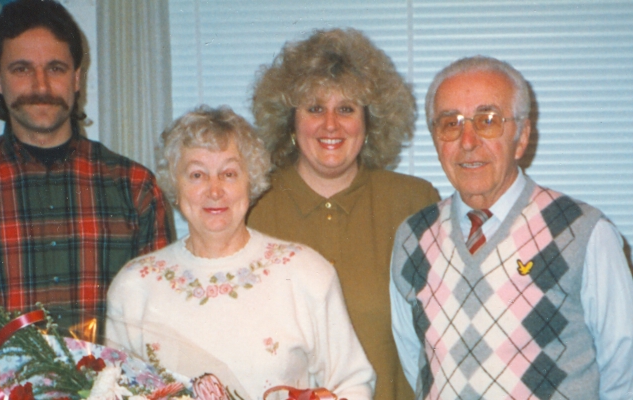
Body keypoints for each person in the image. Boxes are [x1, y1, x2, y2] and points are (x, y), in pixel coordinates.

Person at [0, 0, 174, 387]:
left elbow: (159, 320)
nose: (40, 86)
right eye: (22, 69)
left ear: (76, 78)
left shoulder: (135, 187)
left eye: (55, 68)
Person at [390, 55, 633, 399]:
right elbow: (417, 363)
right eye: (451, 123)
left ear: (522, 137)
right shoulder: (411, 239)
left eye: (487, 120)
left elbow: (625, 373)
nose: (468, 140)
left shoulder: (584, 232)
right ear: (436, 141)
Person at [106, 105, 375, 399]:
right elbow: (111, 391)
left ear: (252, 181)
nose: (215, 190)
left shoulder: (305, 272)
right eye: (197, 175)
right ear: (175, 184)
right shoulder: (135, 286)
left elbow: (353, 385)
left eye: (229, 173)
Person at [247, 28, 439, 399]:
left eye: (346, 109)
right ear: (290, 121)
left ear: (369, 123)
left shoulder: (414, 203)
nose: (331, 124)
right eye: (315, 108)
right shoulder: (252, 206)